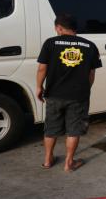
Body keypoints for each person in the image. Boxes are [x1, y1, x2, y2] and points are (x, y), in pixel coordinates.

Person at [36, 14, 102, 172]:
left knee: (51, 128)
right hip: (78, 95)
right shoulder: (89, 45)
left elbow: (42, 68)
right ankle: (69, 163)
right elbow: (91, 74)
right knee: (74, 129)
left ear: (59, 27)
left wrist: (39, 87)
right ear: (74, 28)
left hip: (54, 94)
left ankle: (47, 160)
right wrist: (86, 89)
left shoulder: (50, 43)